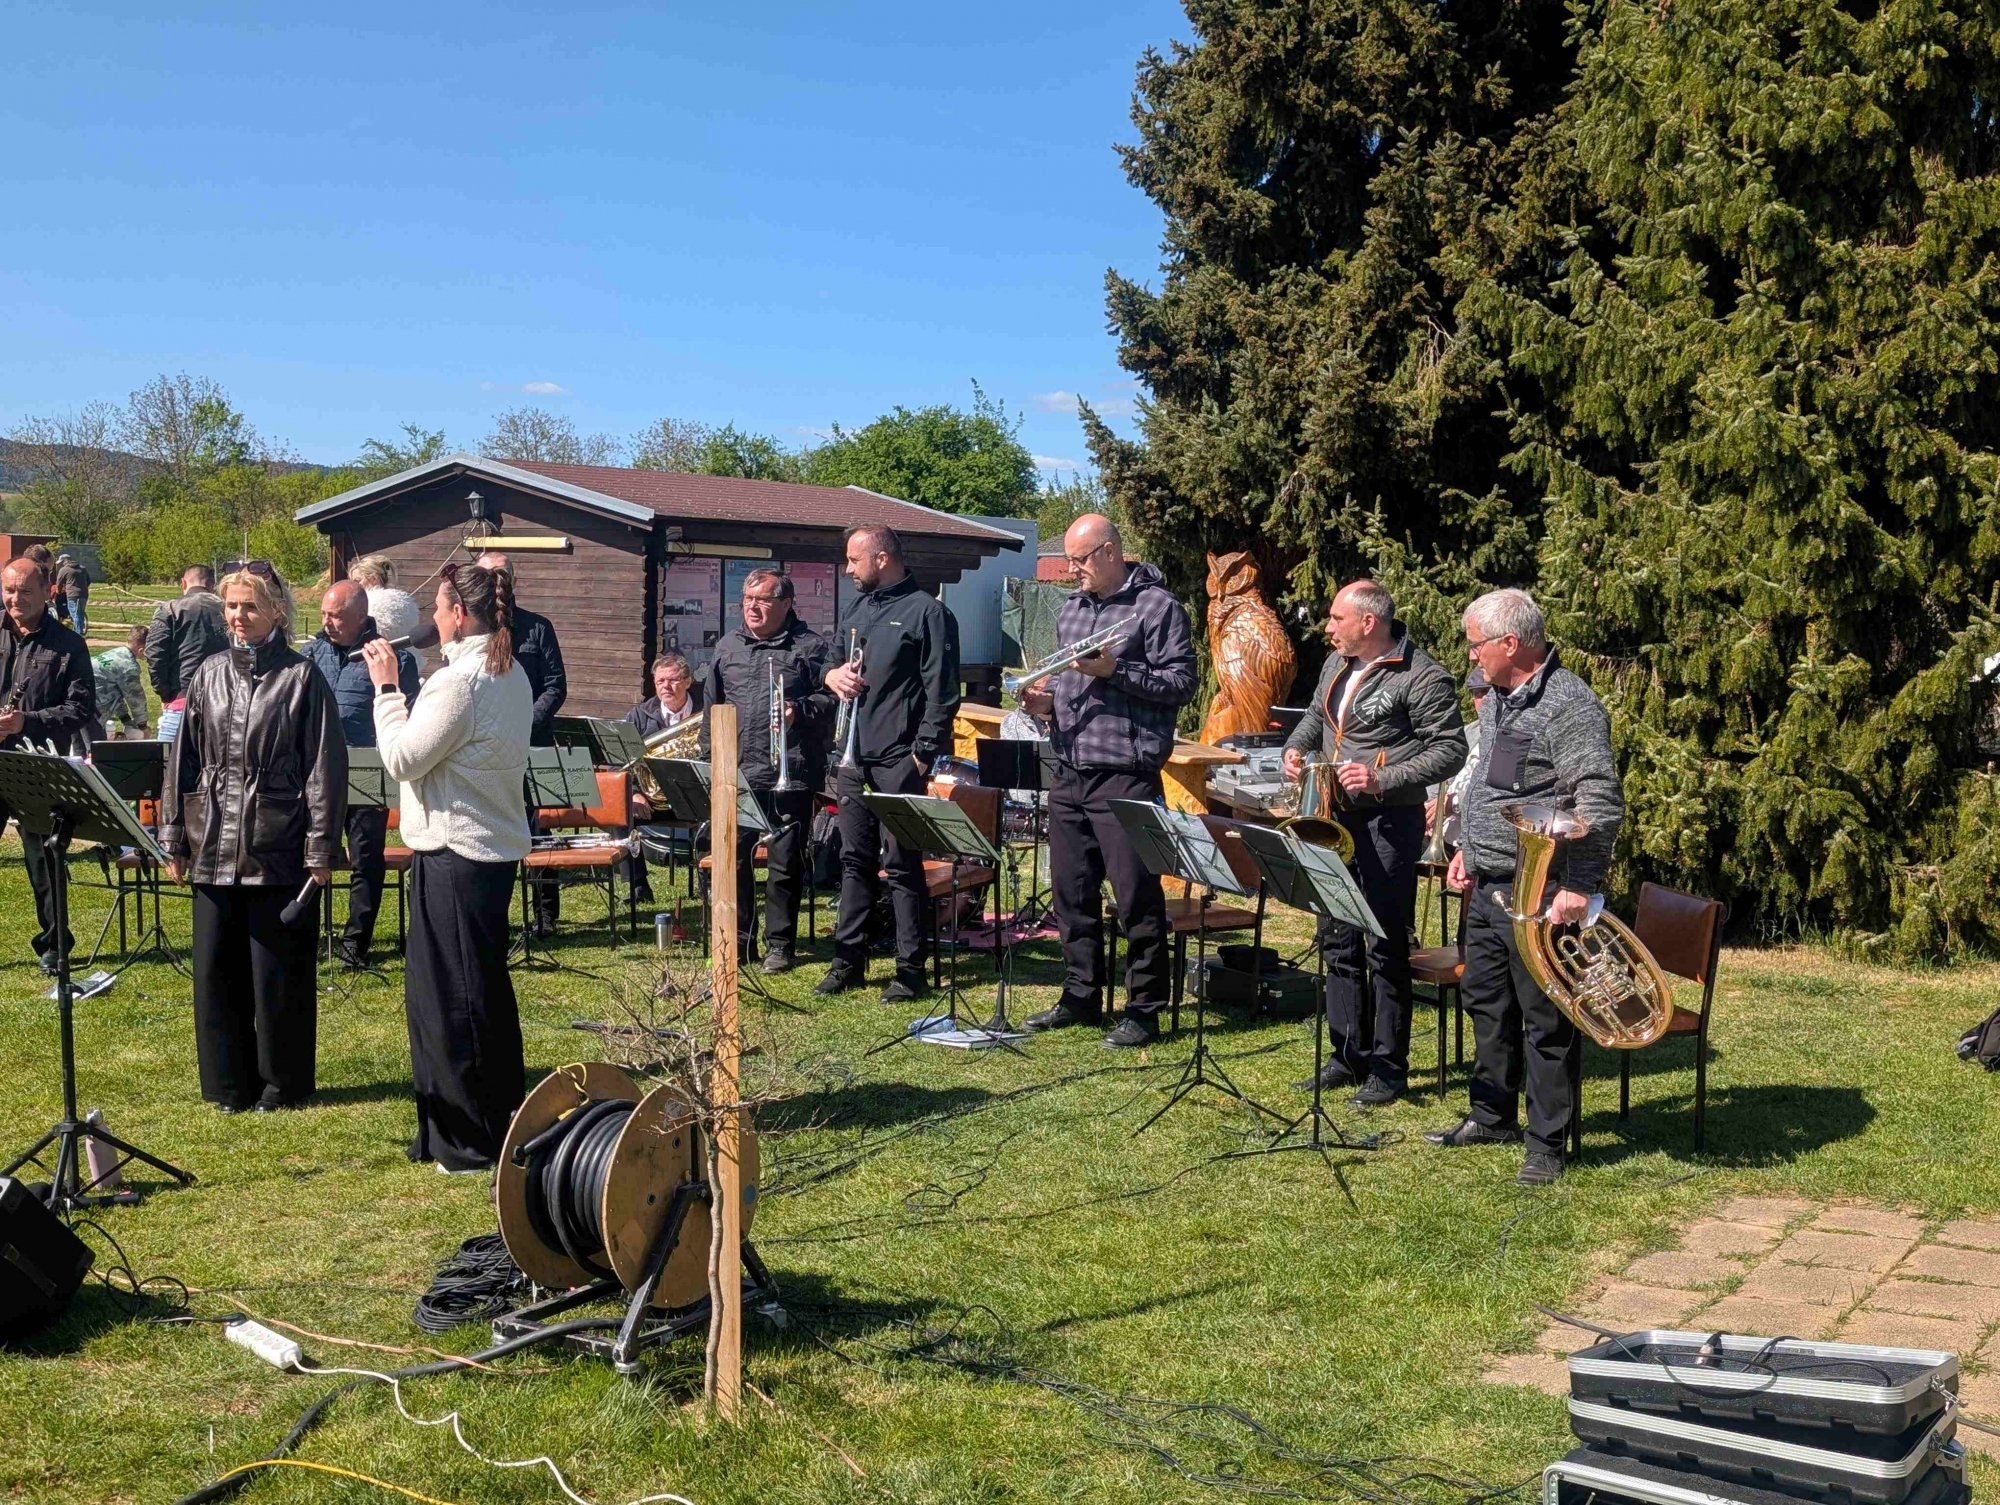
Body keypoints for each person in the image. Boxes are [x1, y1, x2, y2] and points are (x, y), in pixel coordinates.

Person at [1426, 587, 1622, 1186]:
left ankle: (1546, 1143)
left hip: (1541, 890)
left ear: (1510, 644)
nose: (1470, 655)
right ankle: (1491, 1116)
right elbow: (1496, 784)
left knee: (1545, 1019)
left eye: (1476, 644)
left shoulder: (1570, 706)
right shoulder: (1499, 699)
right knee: (1486, 1002)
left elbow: (1599, 801)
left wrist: (1579, 885)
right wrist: (1467, 848)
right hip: (1488, 882)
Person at [363, 562, 532, 1173]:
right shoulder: (511, 671)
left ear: (459, 615)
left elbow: (402, 760)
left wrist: (387, 690)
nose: (431, 617)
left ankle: (469, 1141)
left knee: (453, 1002)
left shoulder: (459, 681)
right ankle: (469, 1127)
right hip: (486, 853)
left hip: (456, 853)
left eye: (437, 608)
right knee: (476, 992)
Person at [159, 562, 345, 1114]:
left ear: (276, 612)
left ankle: (283, 1084)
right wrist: (173, 837)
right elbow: (183, 761)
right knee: (216, 971)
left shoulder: (302, 678)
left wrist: (320, 848)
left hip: (276, 844)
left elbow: (324, 768)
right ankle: (226, 1085)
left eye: (250, 606)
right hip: (212, 839)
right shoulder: (208, 673)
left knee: (277, 975)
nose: (238, 616)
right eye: (232, 606)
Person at [1282, 580, 1467, 1104]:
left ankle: (1388, 1068)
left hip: (1388, 822)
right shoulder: (1335, 663)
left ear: (1369, 622)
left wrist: (1382, 778)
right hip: (1332, 818)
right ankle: (1347, 1055)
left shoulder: (1422, 675)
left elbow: (1450, 750)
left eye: (1336, 618)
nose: (1328, 627)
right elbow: (1314, 719)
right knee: (1337, 937)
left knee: (1384, 943)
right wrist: (1294, 749)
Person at [1018, 514, 1197, 1047]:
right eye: (1069, 561)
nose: (1072, 570)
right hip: (1069, 769)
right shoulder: (1072, 609)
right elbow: (1071, 691)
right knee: (1071, 893)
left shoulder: (1158, 607)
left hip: (1126, 774)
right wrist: (1045, 704)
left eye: (1080, 560)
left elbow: (1181, 683)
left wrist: (1115, 671)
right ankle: (1080, 995)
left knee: (1136, 897)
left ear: (1111, 552)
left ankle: (1144, 1008)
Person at [818, 524, 959, 1004]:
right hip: (853, 758)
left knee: (901, 864)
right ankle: (847, 963)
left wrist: (920, 756)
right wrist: (832, 675)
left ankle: (910, 969)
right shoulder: (857, 609)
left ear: (882, 558)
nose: (848, 569)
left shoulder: (929, 612)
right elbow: (830, 661)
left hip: (900, 758)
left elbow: (943, 694)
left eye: (854, 560)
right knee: (853, 860)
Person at [700, 567, 833, 973]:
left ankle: (779, 945)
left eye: (762, 600)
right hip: (737, 772)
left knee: (784, 864)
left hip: (790, 771)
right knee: (734, 860)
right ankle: (739, 942)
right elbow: (711, 707)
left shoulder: (810, 647)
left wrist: (801, 710)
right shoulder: (728, 646)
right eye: (747, 599)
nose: (752, 607)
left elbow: (833, 700)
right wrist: (710, 759)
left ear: (786, 603)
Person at [303, 580, 420, 970]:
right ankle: (306, 936)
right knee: (311, 855)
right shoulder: (310, 653)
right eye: (324, 614)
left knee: (366, 859)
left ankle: (356, 942)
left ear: (360, 616)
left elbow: (407, 713)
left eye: (336, 616)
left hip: (368, 771)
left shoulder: (391, 657)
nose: (327, 622)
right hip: (316, 774)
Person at [0, 557, 95, 973]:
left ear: (48, 592)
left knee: (43, 859)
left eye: (25, 591)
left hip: (36, 765)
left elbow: (80, 709)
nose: (15, 599)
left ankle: (56, 944)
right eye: (9, 590)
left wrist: (28, 721)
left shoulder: (69, 645)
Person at [477, 551, 566, 933]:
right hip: (485, 747)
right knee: (489, 831)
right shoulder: (472, 630)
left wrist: (524, 721)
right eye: (486, 574)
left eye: (500, 573)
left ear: (513, 580)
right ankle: (493, 915)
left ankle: (545, 917)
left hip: (532, 744)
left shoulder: (537, 627)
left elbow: (555, 686)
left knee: (538, 830)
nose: (494, 580)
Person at [147, 565, 229, 745]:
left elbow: (155, 653)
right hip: (223, 698)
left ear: (183, 583)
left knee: (169, 760)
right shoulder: (228, 608)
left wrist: (165, 694)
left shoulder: (169, 608)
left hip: (181, 698)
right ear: (213, 585)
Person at [347, 554, 429, 648]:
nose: (354, 586)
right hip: (407, 655)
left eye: (357, 581)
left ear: (373, 579)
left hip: (379, 654)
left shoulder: (368, 604)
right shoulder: (406, 602)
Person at [91, 625, 152, 741]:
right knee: (92, 745)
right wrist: (142, 725)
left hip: (79, 702)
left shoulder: (114, 653)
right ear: (142, 650)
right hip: (93, 711)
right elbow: (135, 699)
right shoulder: (128, 667)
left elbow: (114, 692)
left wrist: (125, 719)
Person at [627, 653, 704, 739]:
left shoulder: (706, 712)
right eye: (660, 681)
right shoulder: (639, 715)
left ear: (688, 682)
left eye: (672, 680)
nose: (666, 686)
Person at [54, 554, 90, 641]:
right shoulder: (82, 568)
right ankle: (80, 632)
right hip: (84, 595)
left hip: (72, 595)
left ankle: (78, 634)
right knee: (80, 613)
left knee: (74, 614)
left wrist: (58, 592)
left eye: (61, 562)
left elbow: (59, 583)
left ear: (65, 560)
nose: (61, 564)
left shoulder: (64, 570)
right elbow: (88, 580)